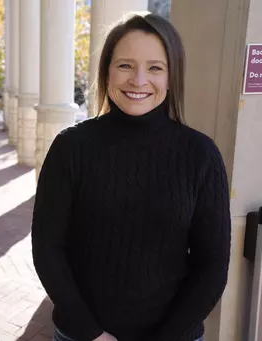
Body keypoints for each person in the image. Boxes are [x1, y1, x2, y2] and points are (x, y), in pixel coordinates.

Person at [31, 12, 231, 341]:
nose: (138, 80)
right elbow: (48, 248)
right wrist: (91, 332)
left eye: (155, 67)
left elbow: (212, 268)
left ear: (171, 76)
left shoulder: (201, 155)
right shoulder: (71, 147)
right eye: (125, 65)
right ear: (107, 71)